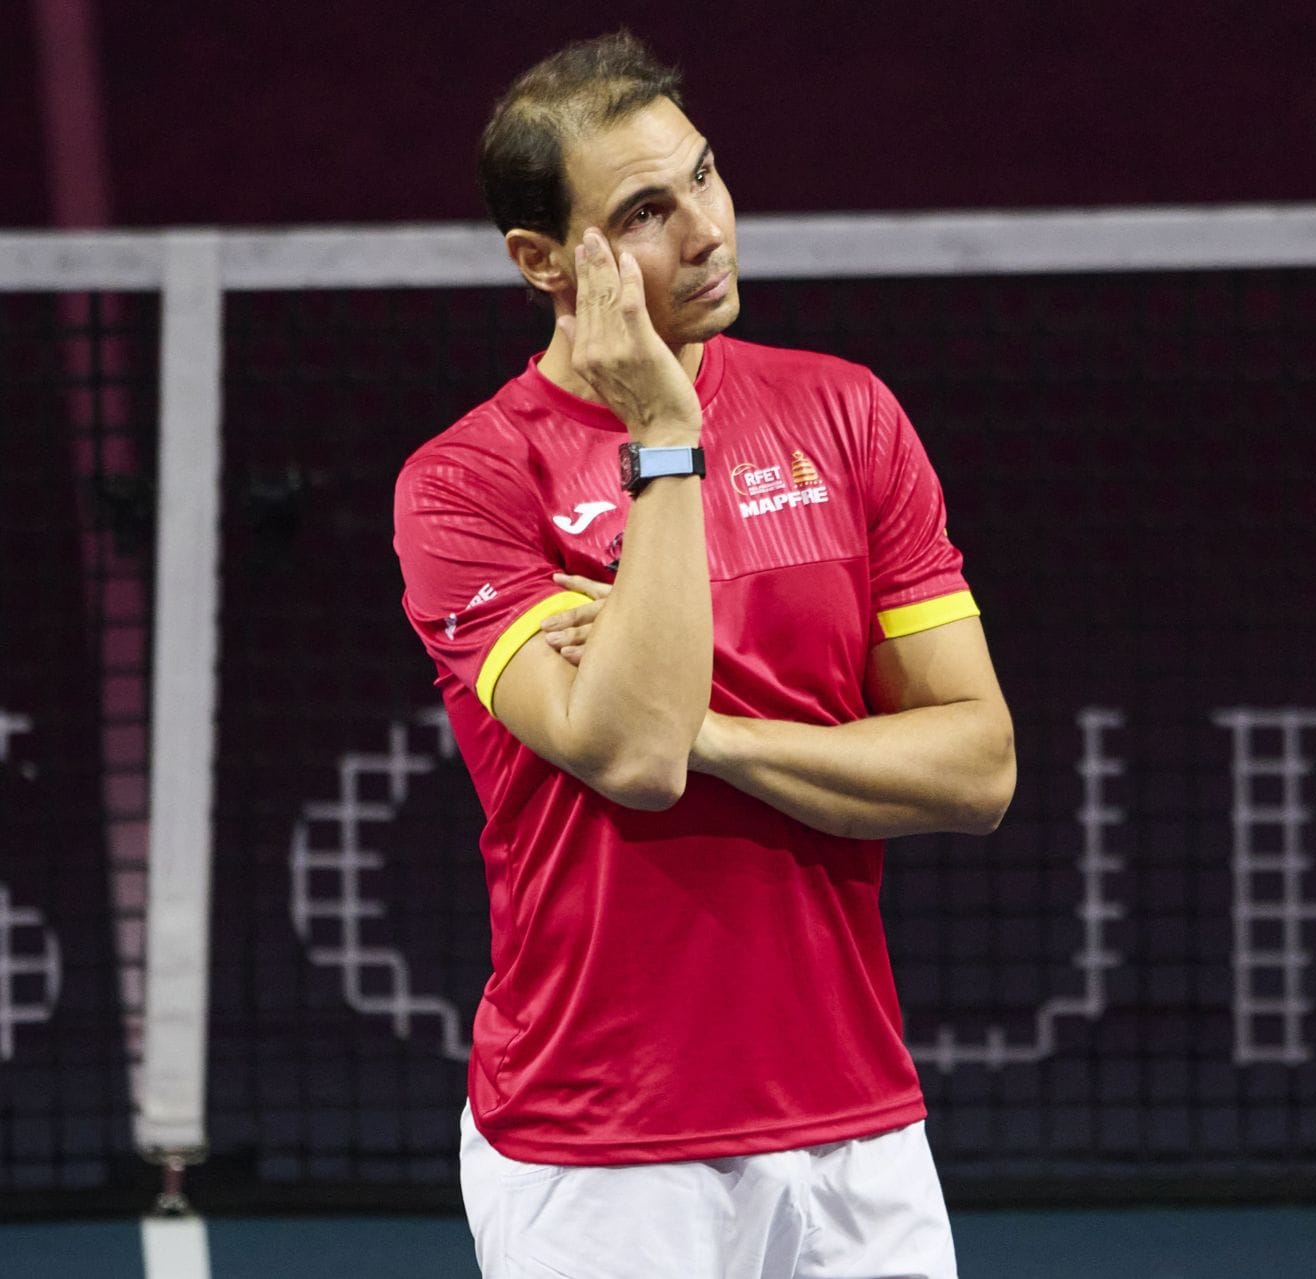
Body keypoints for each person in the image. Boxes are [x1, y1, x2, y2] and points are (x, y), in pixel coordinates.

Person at [391, 30, 1015, 1279]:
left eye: (707, 178)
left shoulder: (847, 414)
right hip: (600, 1144)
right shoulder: (463, 486)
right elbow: (629, 757)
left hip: (857, 1129)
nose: (708, 228)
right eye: (645, 210)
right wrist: (664, 438)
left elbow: (977, 766)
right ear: (544, 261)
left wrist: (716, 731)